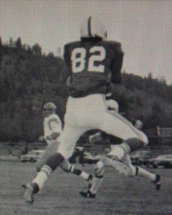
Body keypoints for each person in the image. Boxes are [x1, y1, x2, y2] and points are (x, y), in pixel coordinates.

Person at [23, 16, 151, 204]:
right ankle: (113, 156)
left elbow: (74, 75)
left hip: (73, 108)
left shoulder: (69, 48)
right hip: (95, 105)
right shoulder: (113, 47)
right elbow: (116, 78)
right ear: (102, 33)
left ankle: (35, 184)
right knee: (141, 138)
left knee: (62, 153)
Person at [80, 99, 161, 199]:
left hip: (120, 148)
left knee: (100, 165)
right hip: (120, 148)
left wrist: (93, 138)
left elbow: (138, 124)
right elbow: (105, 134)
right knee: (130, 171)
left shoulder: (115, 119)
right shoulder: (112, 120)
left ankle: (92, 192)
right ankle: (154, 177)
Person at [25, 102, 92, 188]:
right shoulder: (49, 118)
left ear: (52, 111)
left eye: (47, 110)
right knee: (67, 167)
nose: (45, 111)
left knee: (39, 165)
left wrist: (45, 137)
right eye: (44, 109)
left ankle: (35, 186)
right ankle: (88, 177)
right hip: (59, 144)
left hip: (55, 144)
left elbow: (57, 133)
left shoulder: (52, 118)